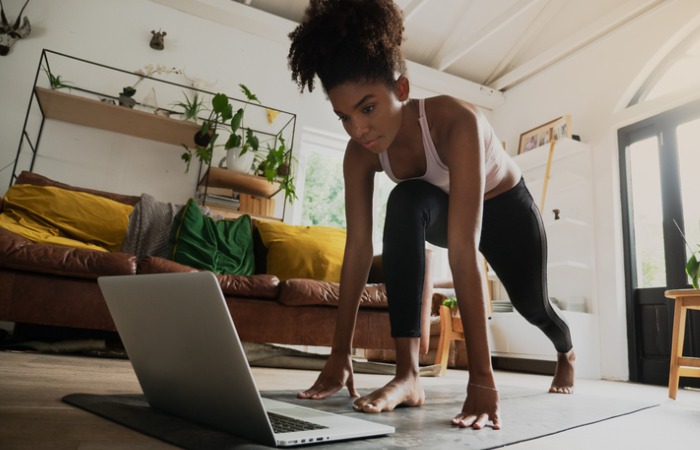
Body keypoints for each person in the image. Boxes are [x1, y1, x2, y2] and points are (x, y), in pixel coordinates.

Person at [287, 0, 575, 430]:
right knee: (404, 201)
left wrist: (481, 378)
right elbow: (359, 250)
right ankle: (408, 376)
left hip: (507, 209)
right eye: (344, 117)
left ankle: (565, 350)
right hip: (444, 210)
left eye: (368, 109)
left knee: (533, 306)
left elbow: (463, 250)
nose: (358, 130)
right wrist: (339, 354)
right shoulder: (359, 155)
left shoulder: (456, 121)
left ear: (401, 90)